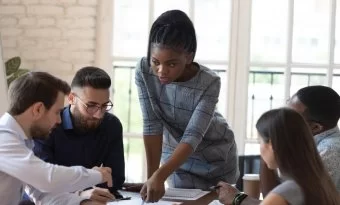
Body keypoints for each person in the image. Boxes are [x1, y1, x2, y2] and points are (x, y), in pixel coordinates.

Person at [135, 10, 238, 203]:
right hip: (176, 161)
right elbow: (152, 125)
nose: (161, 71)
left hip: (216, 157)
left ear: (189, 57)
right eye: (155, 62)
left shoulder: (209, 81)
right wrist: (152, 178)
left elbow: (193, 135)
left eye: (171, 64)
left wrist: (159, 175)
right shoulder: (143, 70)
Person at [0, 72, 113, 205]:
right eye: (57, 112)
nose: (59, 120)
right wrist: (97, 174)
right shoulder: (3, 139)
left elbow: (41, 194)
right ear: (38, 109)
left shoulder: (22, 141)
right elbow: (47, 178)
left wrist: (82, 202)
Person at [33, 67, 125, 203]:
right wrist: (84, 186)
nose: (99, 114)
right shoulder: (49, 125)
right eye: (91, 105)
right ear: (71, 98)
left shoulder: (111, 125)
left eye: (104, 106)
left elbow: (115, 179)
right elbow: (43, 181)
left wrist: (87, 186)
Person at [216, 108, 340, 205]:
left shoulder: (285, 193)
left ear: (272, 145)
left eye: (260, 142)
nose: (260, 148)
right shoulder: (322, 182)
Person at [261, 85, 340, 195]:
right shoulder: (303, 141)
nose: (282, 118)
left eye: (291, 116)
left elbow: (284, 201)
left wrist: (237, 198)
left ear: (315, 127)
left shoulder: (329, 151)